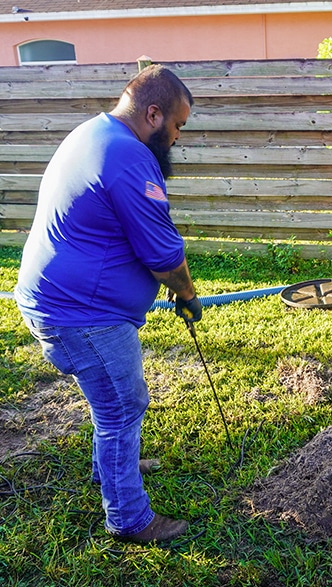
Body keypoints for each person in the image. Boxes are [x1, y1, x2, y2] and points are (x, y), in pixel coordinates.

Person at [14, 64, 203, 544]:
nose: (178, 138)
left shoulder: (92, 132)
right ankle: (128, 518)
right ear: (154, 114)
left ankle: (113, 464)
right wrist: (186, 292)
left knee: (110, 401)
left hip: (57, 304)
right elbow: (164, 254)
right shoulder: (128, 156)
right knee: (123, 403)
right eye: (178, 125)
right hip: (80, 316)